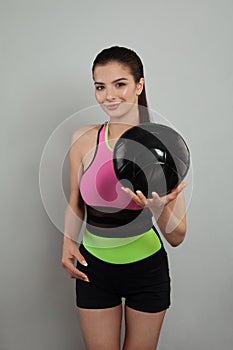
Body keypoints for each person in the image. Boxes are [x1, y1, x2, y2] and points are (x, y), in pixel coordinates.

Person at [61, 46, 187, 350]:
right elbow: (75, 201)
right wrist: (67, 243)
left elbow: (178, 236)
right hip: (94, 269)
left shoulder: (162, 145)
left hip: (146, 269)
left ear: (139, 85)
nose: (109, 96)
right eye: (100, 87)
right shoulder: (83, 138)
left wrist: (160, 210)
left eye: (120, 84)